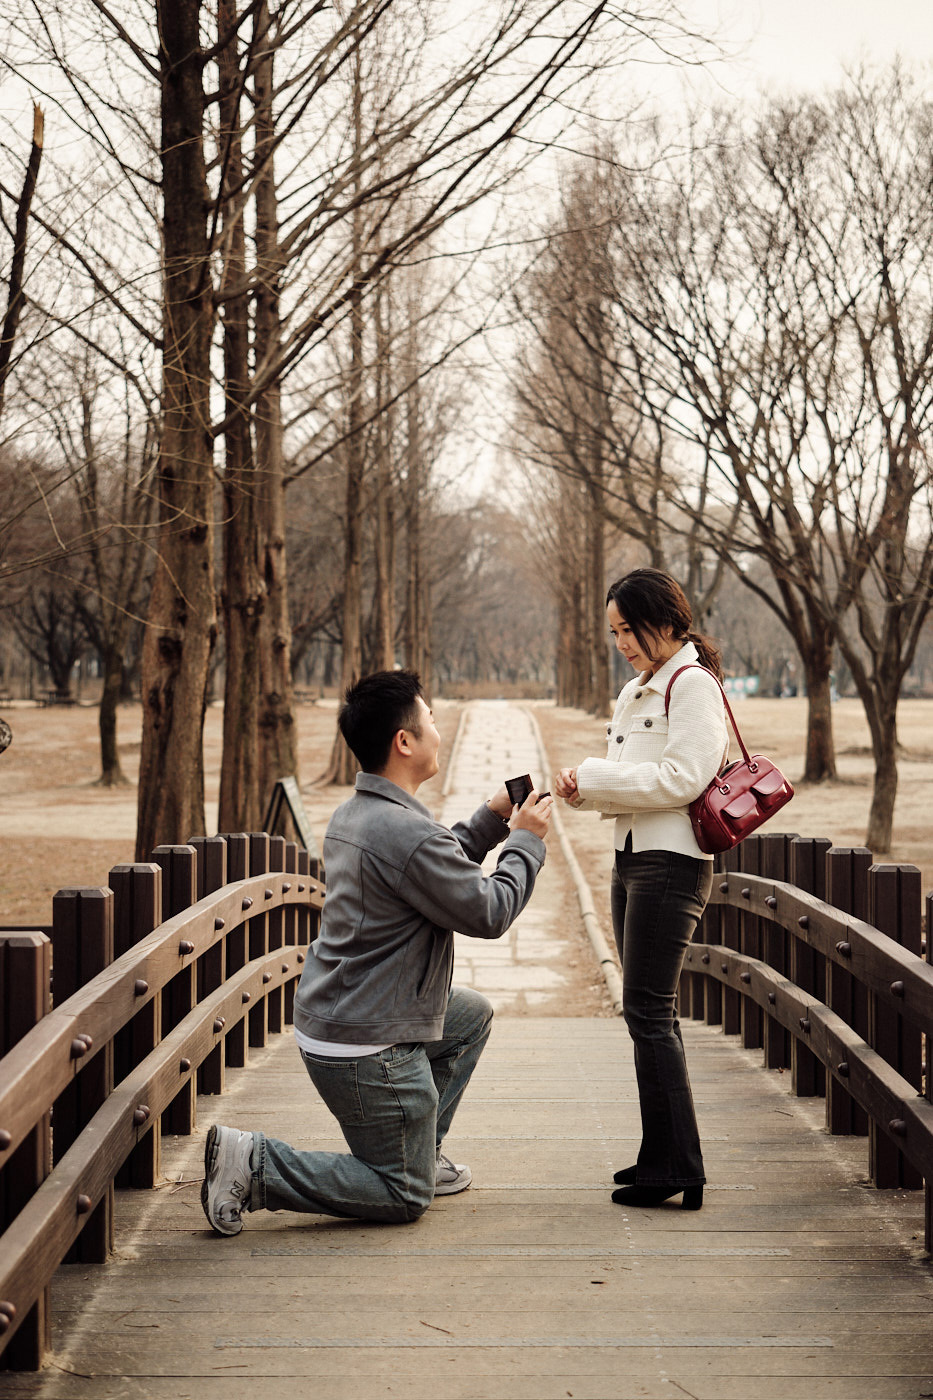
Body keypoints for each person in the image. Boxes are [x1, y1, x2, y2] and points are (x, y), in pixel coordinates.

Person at [202, 669, 552, 1235]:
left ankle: (419, 1149)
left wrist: (491, 821)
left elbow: (430, 867)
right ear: (404, 741)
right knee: (402, 1194)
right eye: (432, 719)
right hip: (365, 1043)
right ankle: (257, 1164)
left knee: (469, 1017)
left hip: (341, 1016)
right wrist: (526, 842)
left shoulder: (358, 814)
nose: (437, 729)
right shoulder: (405, 831)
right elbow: (489, 910)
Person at [554, 568, 728, 1211]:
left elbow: (682, 779)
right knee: (648, 1012)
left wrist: (595, 776)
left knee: (649, 1010)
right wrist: (584, 788)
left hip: (672, 862)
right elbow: (634, 781)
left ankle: (677, 1164)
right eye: (614, 631)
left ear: (665, 622)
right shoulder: (639, 690)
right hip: (633, 858)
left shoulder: (693, 686)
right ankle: (666, 1156)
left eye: (629, 629)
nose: (621, 642)